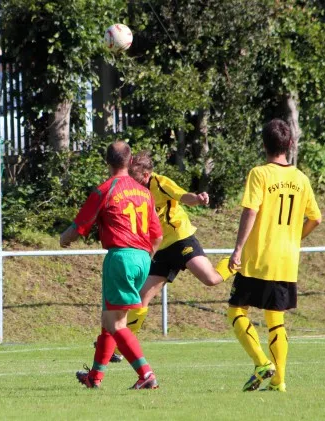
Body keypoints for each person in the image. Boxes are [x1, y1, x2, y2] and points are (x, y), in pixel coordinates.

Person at [226, 119, 321, 392]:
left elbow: (251, 210)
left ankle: (261, 363)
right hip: (286, 260)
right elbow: (316, 218)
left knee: (236, 310)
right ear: (290, 144)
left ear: (264, 144)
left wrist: (238, 248)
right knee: (275, 320)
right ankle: (279, 380)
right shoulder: (301, 179)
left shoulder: (260, 174)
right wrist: (294, 238)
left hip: (259, 258)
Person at [60, 140, 163, 389]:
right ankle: (94, 377)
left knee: (116, 323)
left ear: (107, 162)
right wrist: (143, 258)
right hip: (143, 257)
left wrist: (64, 239)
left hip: (120, 257)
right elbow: (158, 235)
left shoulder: (105, 190)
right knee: (109, 320)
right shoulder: (144, 192)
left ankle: (146, 374)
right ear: (130, 161)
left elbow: (78, 227)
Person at [122, 151, 234, 340]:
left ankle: (238, 261)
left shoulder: (160, 183)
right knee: (141, 298)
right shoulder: (133, 191)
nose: (131, 181)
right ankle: (119, 345)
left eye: (134, 177)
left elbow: (182, 196)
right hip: (160, 248)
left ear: (146, 175)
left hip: (180, 238)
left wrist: (197, 199)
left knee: (211, 279)